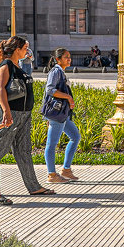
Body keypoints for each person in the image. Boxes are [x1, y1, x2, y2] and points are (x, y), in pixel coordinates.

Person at [0, 36, 53, 197]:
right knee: (0, 147)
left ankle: (33, 186)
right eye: (25, 48)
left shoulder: (17, 65)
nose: (27, 51)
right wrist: (6, 111)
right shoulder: (6, 65)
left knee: (23, 150)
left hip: (23, 114)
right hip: (12, 113)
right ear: (17, 49)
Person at [43, 47, 80, 183]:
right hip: (56, 113)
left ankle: (66, 170)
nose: (69, 59)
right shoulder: (56, 71)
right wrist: (68, 98)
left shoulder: (61, 72)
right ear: (58, 59)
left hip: (62, 114)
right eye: (66, 57)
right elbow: (50, 90)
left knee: (75, 136)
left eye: (69, 57)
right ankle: (52, 175)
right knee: (51, 144)